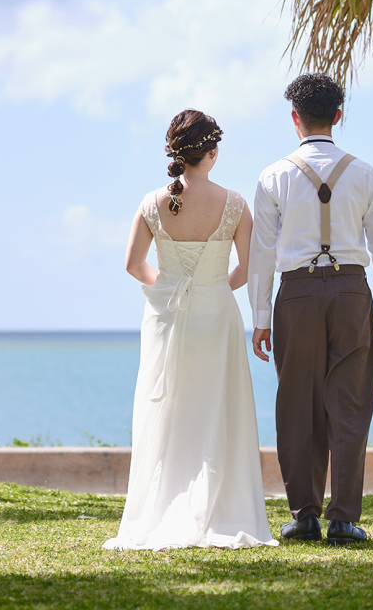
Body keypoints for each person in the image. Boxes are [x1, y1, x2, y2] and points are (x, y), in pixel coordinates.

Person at [103, 109, 277, 552]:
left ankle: (160, 510)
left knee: (168, 409)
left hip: (166, 319)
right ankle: (221, 510)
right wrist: (216, 286)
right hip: (216, 315)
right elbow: (252, 263)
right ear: (212, 152)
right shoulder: (234, 203)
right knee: (218, 408)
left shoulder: (151, 202)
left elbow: (132, 265)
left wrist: (167, 287)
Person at [248, 73, 373, 545]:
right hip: (352, 292)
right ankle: (342, 518)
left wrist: (260, 317)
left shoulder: (273, 175)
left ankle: (304, 516)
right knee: (350, 404)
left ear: (294, 118)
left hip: (296, 294)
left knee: (296, 403)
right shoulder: (365, 173)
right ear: (338, 116)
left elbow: (261, 254)